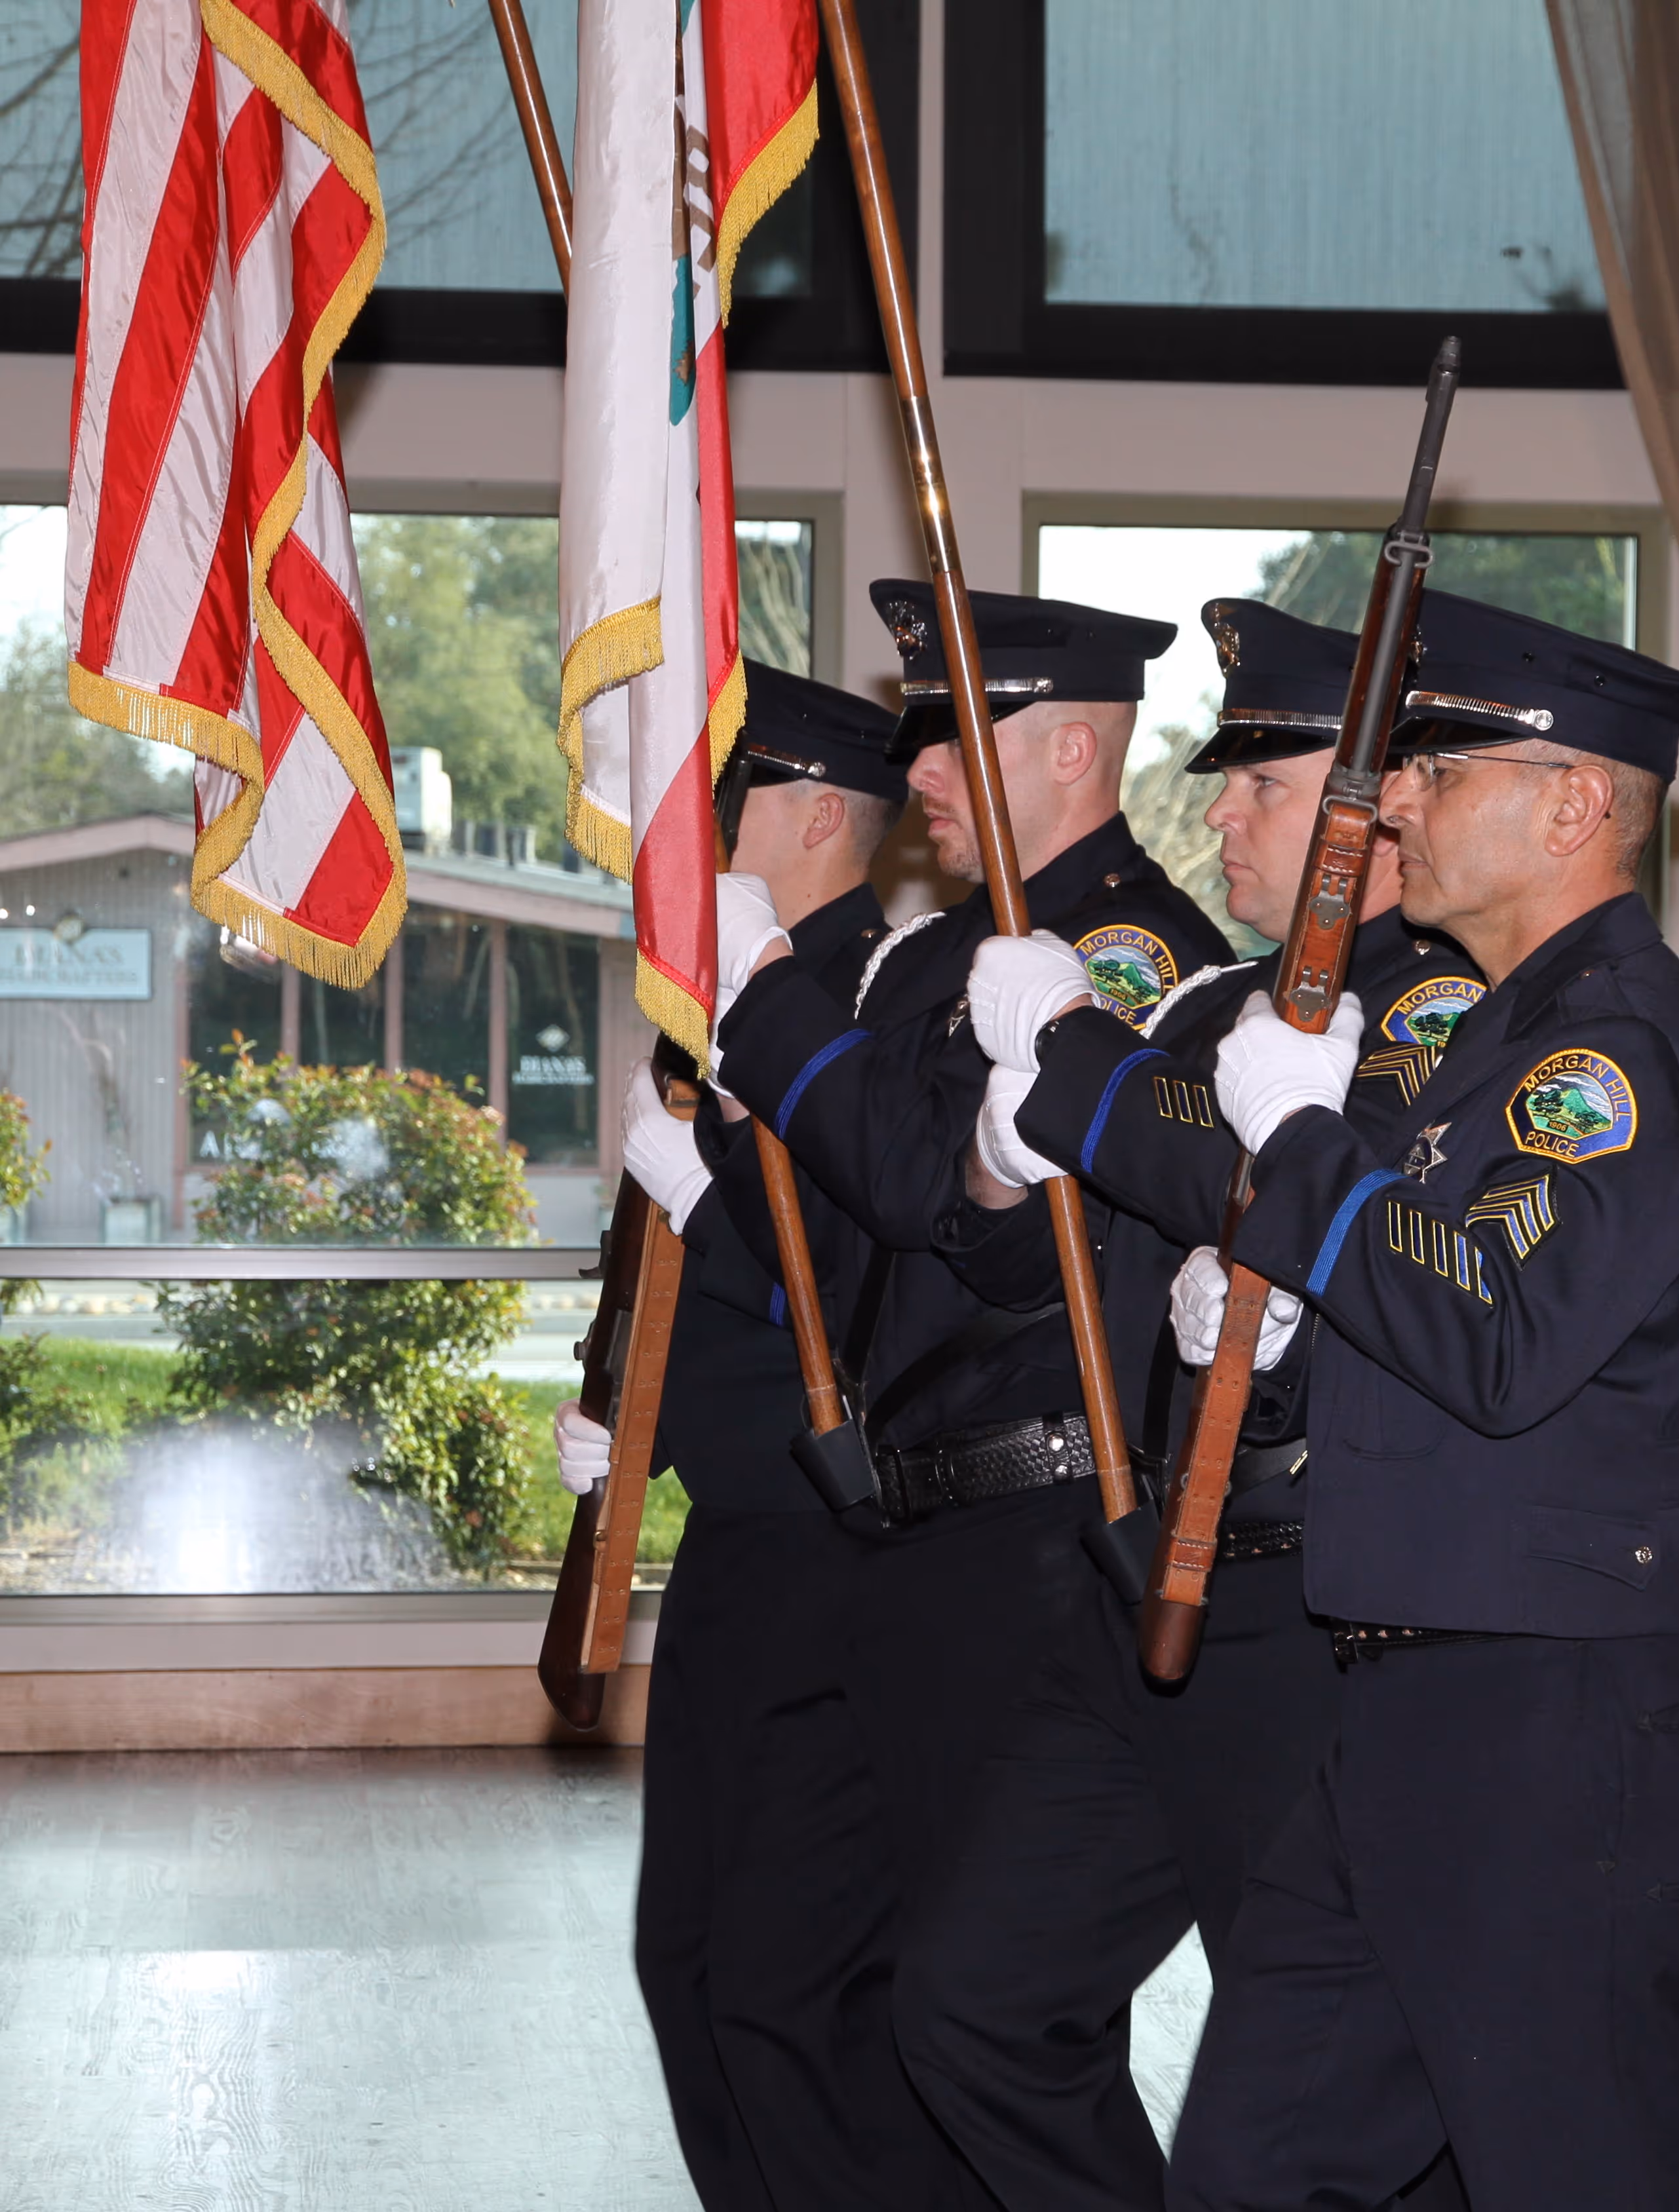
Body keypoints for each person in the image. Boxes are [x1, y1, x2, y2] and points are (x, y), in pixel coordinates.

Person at [1153, 594, 1679, 2211]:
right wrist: (1295, 1337)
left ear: (1571, 806)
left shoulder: (1609, 1056)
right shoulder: (1496, 1042)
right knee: (1251, 2168)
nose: (1393, 799)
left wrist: (1306, 1156)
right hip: (1408, 1707)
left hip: (1547, 1730)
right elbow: (1434, 1316)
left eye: (1437, 763)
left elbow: (1498, 1331)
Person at [889, 598, 1480, 2212]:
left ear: (1373, 816)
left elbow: (1276, 1166)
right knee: (970, 1998)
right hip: (1142, 1579)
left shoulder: (1432, 1010)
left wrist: (1082, 1068)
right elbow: (1040, 1225)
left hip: (1301, 1607)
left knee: (1328, 2099)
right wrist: (1008, 1152)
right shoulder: (1214, 1002)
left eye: (1264, 784)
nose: (1215, 809)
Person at [709, 582, 1232, 2200]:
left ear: (1071, 745)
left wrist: (765, 1005)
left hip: (1035, 1531)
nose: (920, 762)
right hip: (912, 1526)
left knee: (983, 2014)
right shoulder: (970, 947)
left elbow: (919, 1182)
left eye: (958, 729)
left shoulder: (1125, 951)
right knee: (829, 1988)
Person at [556, 663, 960, 2212]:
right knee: (689, 1960)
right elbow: (660, 1271)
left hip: (854, 1551)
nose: (686, 842)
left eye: (716, 808)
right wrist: (622, 1408)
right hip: (741, 1539)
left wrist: (709, 1195)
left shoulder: (899, 1000)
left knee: (793, 1988)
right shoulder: (711, 1005)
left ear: (804, 814)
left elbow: (871, 1287)